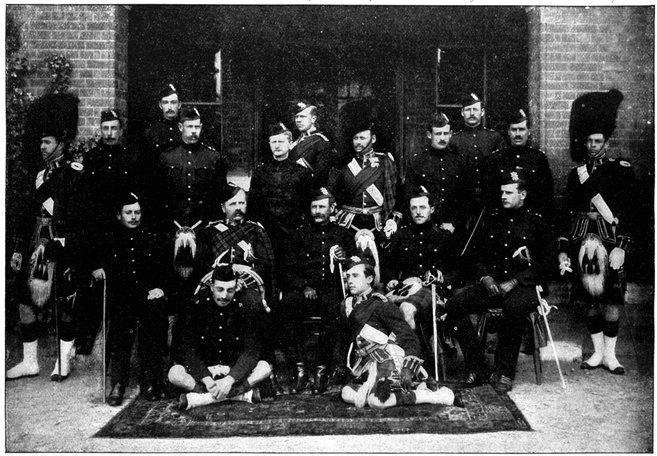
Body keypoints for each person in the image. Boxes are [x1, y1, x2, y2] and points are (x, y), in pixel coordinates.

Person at [444, 169, 551, 393]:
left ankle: (504, 372)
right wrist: (485, 277)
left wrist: (516, 281)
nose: (503, 196)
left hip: (525, 286)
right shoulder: (491, 219)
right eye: (502, 192)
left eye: (509, 193)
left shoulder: (537, 222)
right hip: (493, 283)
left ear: (522, 195)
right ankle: (477, 365)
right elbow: (476, 256)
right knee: (454, 305)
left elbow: (545, 263)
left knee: (513, 307)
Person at [7, 128, 92, 382]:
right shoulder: (40, 174)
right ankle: (30, 361)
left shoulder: (74, 173)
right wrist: (18, 248)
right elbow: (27, 213)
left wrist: (64, 243)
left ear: (61, 144)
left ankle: (63, 361)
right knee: (25, 300)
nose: (42, 146)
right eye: (40, 142)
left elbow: (80, 217)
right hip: (37, 242)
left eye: (47, 142)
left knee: (65, 302)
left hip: (60, 243)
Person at [559, 89, 634, 375]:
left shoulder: (621, 171)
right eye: (589, 141)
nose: (592, 146)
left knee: (612, 301)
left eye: (598, 141)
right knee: (590, 300)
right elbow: (566, 215)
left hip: (611, 243)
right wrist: (564, 250)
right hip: (583, 244)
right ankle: (597, 353)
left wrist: (622, 248)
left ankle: (611, 356)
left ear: (606, 142)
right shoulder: (575, 175)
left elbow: (631, 214)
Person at [153, 106, 229, 351]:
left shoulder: (213, 158)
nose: (194, 131)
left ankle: (197, 346)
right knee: (171, 293)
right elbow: (157, 198)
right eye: (189, 126)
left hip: (202, 235)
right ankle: (170, 350)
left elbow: (219, 199)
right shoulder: (166, 157)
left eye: (197, 126)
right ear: (180, 127)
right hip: (171, 235)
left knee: (198, 291)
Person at [337, 256, 458, 409]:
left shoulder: (382, 305)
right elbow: (345, 339)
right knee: (347, 393)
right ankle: (395, 392)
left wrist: (407, 368)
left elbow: (409, 337)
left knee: (377, 402)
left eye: (355, 276)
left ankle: (435, 396)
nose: (350, 281)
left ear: (369, 279)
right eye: (348, 276)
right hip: (367, 364)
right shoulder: (347, 305)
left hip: (389, 361)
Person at [89, 192, 168, 405]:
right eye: (129, 212)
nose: (134, 217)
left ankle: (149, 381)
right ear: (119, 215)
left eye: (137, 212)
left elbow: (163, 268)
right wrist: (97, 268)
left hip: (146, 294)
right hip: (121, 296)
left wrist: (160, 288)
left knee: (153, 323)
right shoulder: (109, 239)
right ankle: (118, 384)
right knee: (120, 332)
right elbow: (95, 260)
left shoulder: (152, 237)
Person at [76, 109, 139, 355]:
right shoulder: (91, 159)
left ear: (121, 131)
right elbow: (85, 206)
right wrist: (94, 259)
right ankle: (88, 347)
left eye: (114, 128)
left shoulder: (130, 158)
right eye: (105, 128)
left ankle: (119, 352)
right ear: (100, 130)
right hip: (99, 234)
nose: (110, 133)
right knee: (95, 296)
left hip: (124, 234)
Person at [279, 187, 353, 394]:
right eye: (314, 207)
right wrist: (303, 286)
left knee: (334, 311)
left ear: (332, 208)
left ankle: (322, 370)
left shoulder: (343, 235)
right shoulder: (298, 235)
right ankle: (300, 369)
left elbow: (357, 264)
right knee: (286, 306)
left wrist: (345, 258)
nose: (317, 211)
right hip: (304, 290)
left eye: (322, 207)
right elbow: (287, 269)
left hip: (331, 289)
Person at [168, 264, 272, 411]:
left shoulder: (245, 306)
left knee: (264, 368)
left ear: (236, 287)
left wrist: (230, 379)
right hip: (206, 370)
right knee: (175, 373)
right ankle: (242, 395)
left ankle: (198, 398)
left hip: (233, 370)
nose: (224, 296)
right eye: (220, 289)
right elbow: (187, 350)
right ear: (211, 287)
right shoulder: (196, 305)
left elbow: (251, 351)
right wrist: (207, 379)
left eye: (230, 290)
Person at [382, 186, 458, 365]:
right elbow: (388, 265)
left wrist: (443, 278)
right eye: (414, 208)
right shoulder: (401, 235)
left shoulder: (444, 237)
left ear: (432, 209)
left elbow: (456, 270)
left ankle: (413, 360)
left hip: (433, 291)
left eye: (422, 207)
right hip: (404, 290)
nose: (418, 212)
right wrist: (391, 279)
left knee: (407, 310)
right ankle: (419, 354)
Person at [248, 122, 313, 285]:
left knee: (289, 277)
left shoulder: (301, 173)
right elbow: (253, 204)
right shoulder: (260, 172)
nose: (277, 145)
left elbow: (306, 205)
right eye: (274, 142)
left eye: (281, 141)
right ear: (269, 145)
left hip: (291, 235)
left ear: (290, 144)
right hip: (266, 234)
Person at [327, 118, 402, 239]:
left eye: (362, 138)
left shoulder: (385, 162)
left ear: (373, 139)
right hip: (348, 223)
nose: (358, 142)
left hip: (378, 223)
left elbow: (395, 193)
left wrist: (392, 220)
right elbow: (332, 191)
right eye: (355, 138)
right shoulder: (344, 163)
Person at [484, 109, 555, 220]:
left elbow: (546, 194)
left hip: (531, 220)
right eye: (513, 130)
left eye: (521, 129)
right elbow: (491, 194)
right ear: (508, 132)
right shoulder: (496, 158)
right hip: (503, 219)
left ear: (529, 131)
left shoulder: (539, 158)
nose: (517, 134)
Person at [405, 112, 468, 234]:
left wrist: (454, 222)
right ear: (429, 135)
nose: (442, 138)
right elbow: (409, 195)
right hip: (426, 227)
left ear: (451, 134)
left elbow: (466, 197)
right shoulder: (417, 162)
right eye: (438, 134)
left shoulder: (460, 162)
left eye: (446, 133)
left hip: (454, 228)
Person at [450, 93, 506, 212]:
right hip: (462, 201)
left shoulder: (494, 138)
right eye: (468, 110)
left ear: (482, 112)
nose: (472, 113)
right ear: (462, 112)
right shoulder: (453, 140)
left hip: (489, 200)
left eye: (475, 109)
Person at [290, 101, 335, 186]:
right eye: (296, 117)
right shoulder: (296, 141)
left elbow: (320, 178)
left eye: (302, 116)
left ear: (313, 119)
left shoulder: (321, 142)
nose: (298, 120)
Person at [142, 83, 182, 165]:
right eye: (165, 102)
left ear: (179, 105)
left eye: (173, 102)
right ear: (160, 105)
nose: (169, 107)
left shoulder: (186, 129)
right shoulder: (151, 132)